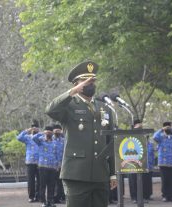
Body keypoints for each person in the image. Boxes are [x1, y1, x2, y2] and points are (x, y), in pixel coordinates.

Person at [45, 61, 117, 207]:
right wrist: (73, 92)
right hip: (76, 174)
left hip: (100, 174)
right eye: (85, 81)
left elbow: (110, 142)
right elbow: (50, 110)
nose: (90, 84)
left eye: (92, 81)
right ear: (76, 84)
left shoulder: (104, 109)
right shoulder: (69, 106)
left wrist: (112, 173)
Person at [128, 119, 154, 203]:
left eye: (141, 126)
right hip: (131, 161)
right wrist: (135, 129)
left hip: (141, 162)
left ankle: (141, 197)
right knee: (133, 180)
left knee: (140, 181)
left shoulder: (142, 135)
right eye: (138, 126)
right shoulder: (130, 134)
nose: (140, 127)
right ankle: (134, 197)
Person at [32, 125, 58, 207]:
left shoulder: (55, 142)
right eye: (47, 131)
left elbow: (56, 154)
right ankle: (44, 202)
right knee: (42, 185)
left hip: (52, 167)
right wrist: (41, 133)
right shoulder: (41, 140)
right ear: (45, 132)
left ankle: (50, 201)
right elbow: (33, 138)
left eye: (50, 132)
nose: (49, 133)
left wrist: (57, 165)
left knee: (51, 185)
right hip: (43, 166)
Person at [153, 122, 172, 202]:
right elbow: (154, 136)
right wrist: (161, 129)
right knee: (165, 180)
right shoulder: (160, 137)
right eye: (167, 127)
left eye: (169, 127)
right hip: (163, 163)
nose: (169, 128)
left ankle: (171, 196)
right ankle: (165, 196)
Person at [17, 123, 40, 203]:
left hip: (40, 162)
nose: (35, 129)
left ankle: (39, 196)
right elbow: (19, 138)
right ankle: (31, 196)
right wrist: (27, 131)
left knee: (40, 180)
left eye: (36, 128)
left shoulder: (41, 137)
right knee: (31, 180)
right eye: (33, 128)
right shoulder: (27, 137)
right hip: (30, 161)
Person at [52, 124, 65, 204]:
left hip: (61, 165)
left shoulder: (64, 140)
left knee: (60, 182)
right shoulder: (50, 140)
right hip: (52, 165)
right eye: (56, 130)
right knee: (52, 183)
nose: (57, 132)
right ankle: (52, 197)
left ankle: (59, 197)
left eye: (59, 130)